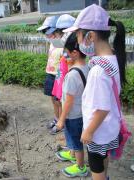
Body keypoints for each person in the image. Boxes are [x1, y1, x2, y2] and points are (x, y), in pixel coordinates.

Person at [64, 4, 127, 180]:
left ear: (90, 36)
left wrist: (89, 131)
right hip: (110, 127)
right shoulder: (112, 58)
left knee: (96, 165)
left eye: (78, 35)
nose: (77, 40)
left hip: (98, 131)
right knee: (104, 156)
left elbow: (102, 108)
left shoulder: (98, 71)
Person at [55, 32, 89, 177]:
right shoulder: (87, 68)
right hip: (82, 112)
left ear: (74, 53)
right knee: (76, 139)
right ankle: (73, 155)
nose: (65, 55)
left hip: (73, 115)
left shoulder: (72, 75)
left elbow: (68, 101)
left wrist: (62, 119)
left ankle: (80, 167)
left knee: (76, 142)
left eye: (67, 53)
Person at [46, 14, 76, 135]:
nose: (59, 36)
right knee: (57, 99)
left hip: (67, 78)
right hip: (60, 77)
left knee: (65, 101)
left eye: (61, 33)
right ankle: (60, 120)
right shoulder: (61, 46)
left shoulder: (72, 49)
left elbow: (71, 64)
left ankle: (63, 123)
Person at [37, 16, 64, 131]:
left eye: (46, 31)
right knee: (53, 99)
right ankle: (56, 118)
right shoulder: (53, 42)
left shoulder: (63, 43)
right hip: (50, 73)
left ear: (55, 30)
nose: (45, 34)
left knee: (59, 101)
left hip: (58, 76)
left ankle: (62, 122)